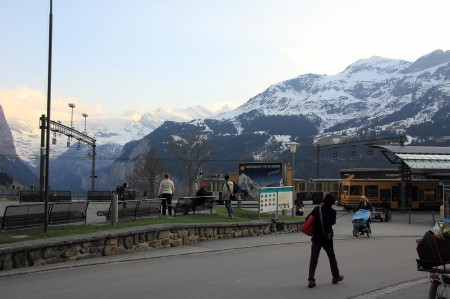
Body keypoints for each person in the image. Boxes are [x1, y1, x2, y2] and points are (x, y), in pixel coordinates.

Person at [307, 192, 344, 288]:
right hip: (327, 238)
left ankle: (311, 279)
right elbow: (333, 223)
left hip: (316, 238)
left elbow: (308, 218)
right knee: (331, 257)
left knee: (314, 258)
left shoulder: (317, 209)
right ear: (332, 202)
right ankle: (335, 276)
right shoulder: (333, 212)